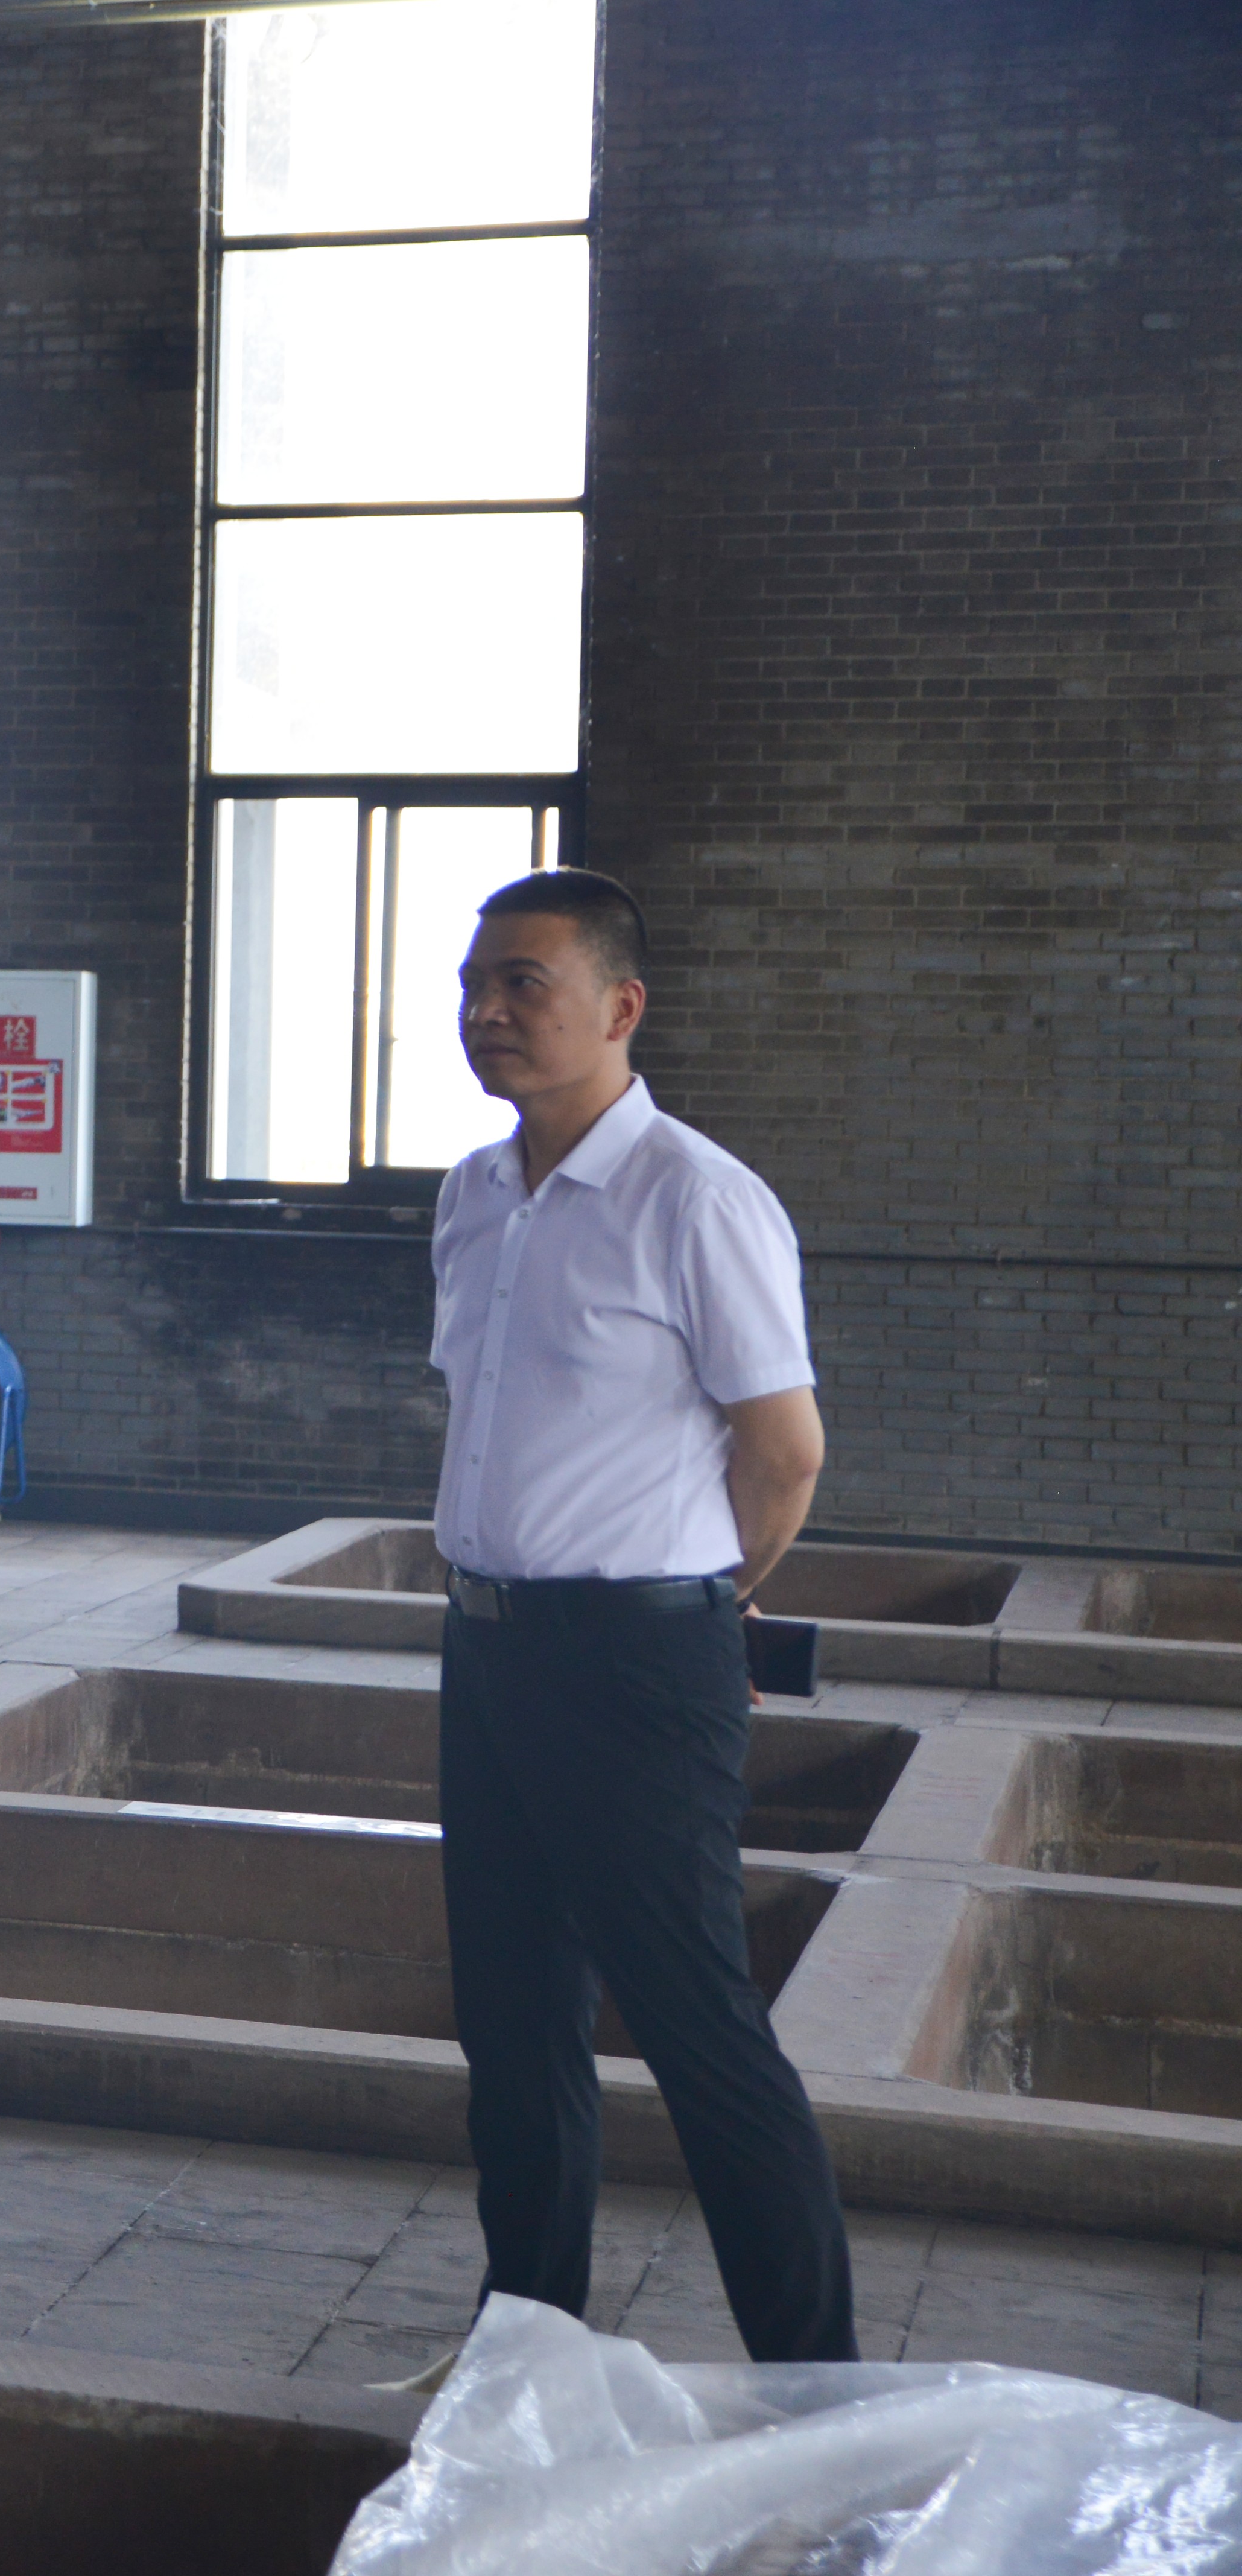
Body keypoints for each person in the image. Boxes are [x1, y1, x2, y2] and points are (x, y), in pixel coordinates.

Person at [424, 868, 853, 2365]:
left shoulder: (696, 1196)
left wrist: (698, 1595)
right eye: (472, 983)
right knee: (511, 2017)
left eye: (521, 982)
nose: (485, 1010)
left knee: (694, 2024)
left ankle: (812, 2384)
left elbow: (782, 1450)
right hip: (485, 1646)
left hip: (635, 1659)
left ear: (619, 1005)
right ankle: (525, 2343)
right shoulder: (472, 1193)